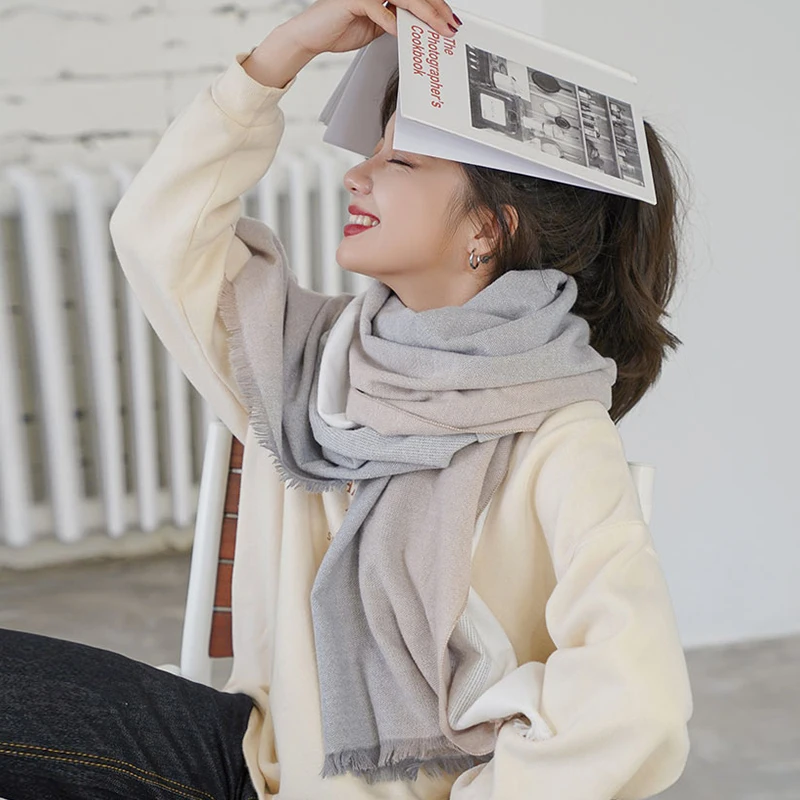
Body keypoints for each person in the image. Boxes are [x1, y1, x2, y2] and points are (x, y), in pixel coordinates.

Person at [0, 0, 694, 798]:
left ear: (489, 230)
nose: (356, 174)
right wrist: (286, 51)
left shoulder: (561, 434)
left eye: (401, 163)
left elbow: (634, 706)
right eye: (373, 151)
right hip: (256, 763)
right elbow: (156, 234)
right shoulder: (305, 359)